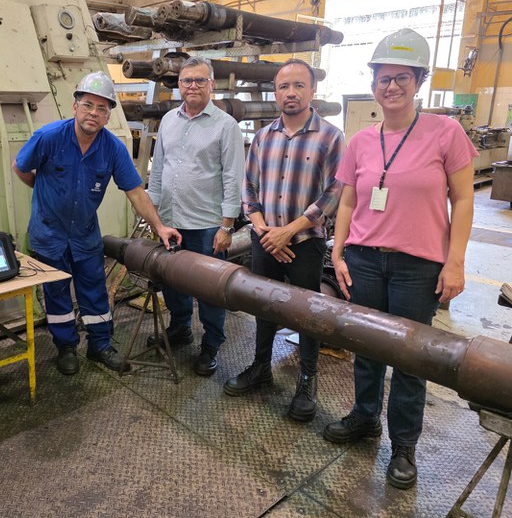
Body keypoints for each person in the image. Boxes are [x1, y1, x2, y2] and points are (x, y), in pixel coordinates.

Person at [322, 28, 477, 490]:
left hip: (417, 267)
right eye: (383, 78)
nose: (391, 87)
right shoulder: (361, 142)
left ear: (418, 82)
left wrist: (455, 262)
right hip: (366, 260)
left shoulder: (445, 133)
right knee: (367, 349)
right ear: (373, 84)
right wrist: (339, 249)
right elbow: (348, 201)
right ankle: (364, 418)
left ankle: (404, 446)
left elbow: (464, 201)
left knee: (412, 359)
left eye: (402, 78)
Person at [13, 71, 181, 376]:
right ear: (75, 106)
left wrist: (159, 227)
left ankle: (99, 346)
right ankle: (66, 347)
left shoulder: (113, 148)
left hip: (85, 236)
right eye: (88, 105)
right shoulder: (48, 137)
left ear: (108, 115)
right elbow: (21, 168)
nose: (94, 113)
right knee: (57, 293)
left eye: (102, 108)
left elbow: (135, 191)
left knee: (94, 292)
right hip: (49, 235)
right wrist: (42, 190)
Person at [225, 59, 346, 422]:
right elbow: (249, 187)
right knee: (264, 305)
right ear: (275, 92)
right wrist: (263, 228)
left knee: (307, 313)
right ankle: (261, 366)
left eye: (298, 86)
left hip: (305, 242)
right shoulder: (263, 137)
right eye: (283, 87)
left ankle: (307, 380)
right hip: (265, 239)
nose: (290, 93)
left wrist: (289, 231)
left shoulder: (330, 136)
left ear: (311, 91)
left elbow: (333, 193)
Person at [146, 56, 245, 376]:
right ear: (179, 85)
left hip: (207, 225)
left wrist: (227, 225)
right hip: (171, 221)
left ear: (212, 85)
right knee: (172, 281)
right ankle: (181, 328)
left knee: (210, 289)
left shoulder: (225, 126)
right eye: (187, 80)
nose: (192, 86)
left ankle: (212, 343)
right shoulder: (168, 121)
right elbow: (158, 170)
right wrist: (155, 217)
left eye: (200, 81)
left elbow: (233, 177)